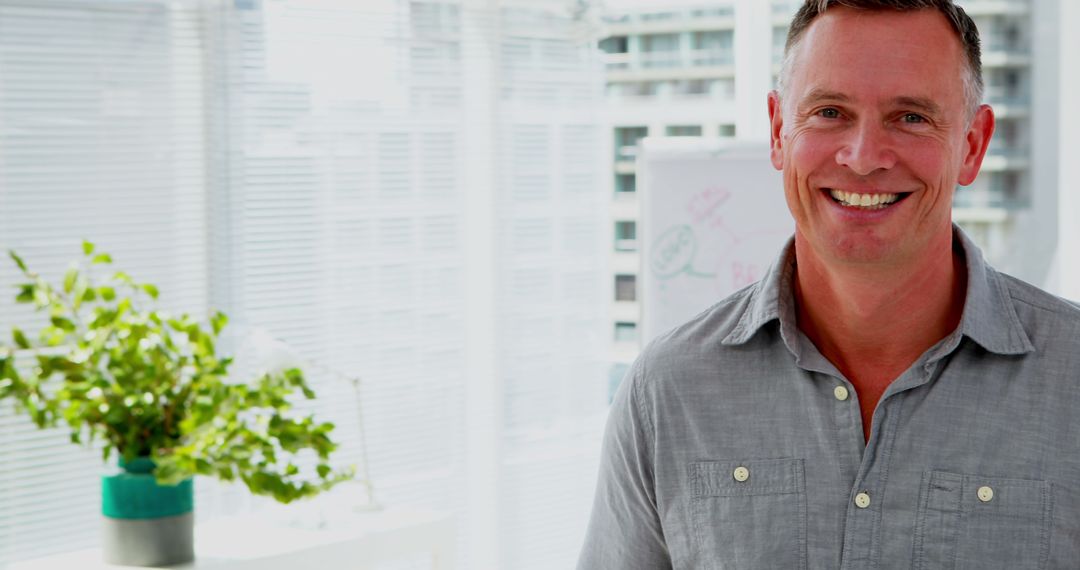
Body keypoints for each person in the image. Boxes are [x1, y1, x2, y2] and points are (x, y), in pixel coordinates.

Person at [577, 1, 1080, 568]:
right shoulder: (666, 392)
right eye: (829, 112)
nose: (863, 158)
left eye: (911, 117)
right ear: (777, 131)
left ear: (971, 145)